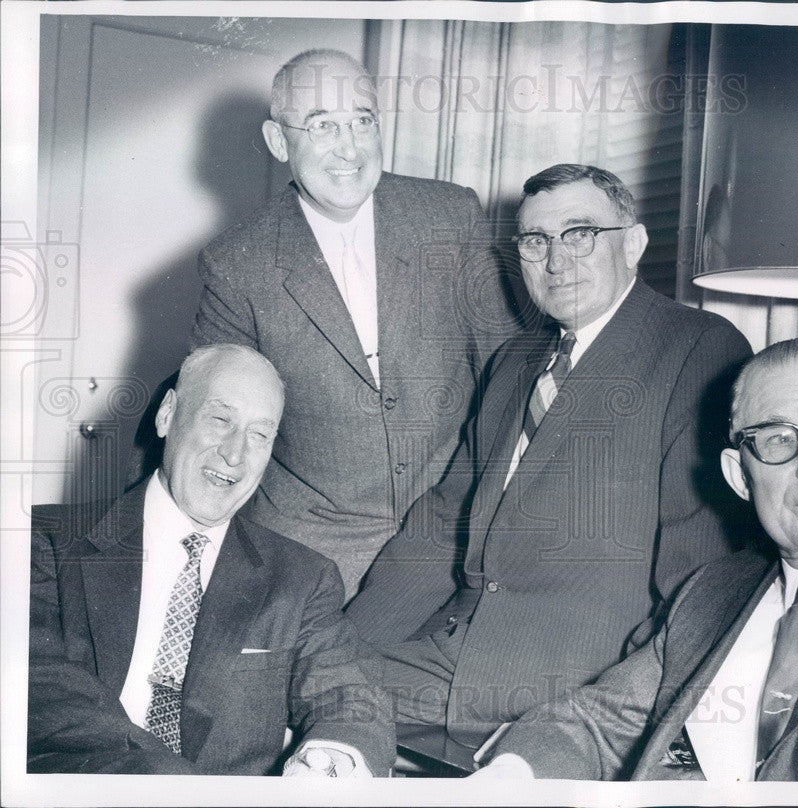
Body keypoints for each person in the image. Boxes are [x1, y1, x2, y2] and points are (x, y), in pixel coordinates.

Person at [347, 164, 752, 744]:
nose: (556, 261)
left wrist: (622, 713)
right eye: (536, 241)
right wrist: (347, 645)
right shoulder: (514, 359)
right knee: (286, 685)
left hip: (569, 682)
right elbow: (441, 525)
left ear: (633, 245)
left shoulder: (699, 348)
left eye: (580, 233)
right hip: (448, 650)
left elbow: (700, 573)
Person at [475, 337, 798, 784]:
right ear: (740, 476)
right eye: (778, 439)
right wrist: (505, 782)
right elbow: (591, 726)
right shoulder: (713, 590)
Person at [191, 50, 519, 596]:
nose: (349, 148)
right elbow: (216, 418)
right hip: (311, 552)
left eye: (361, 120)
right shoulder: (237, 263)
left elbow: (507, 368)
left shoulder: (448, 215)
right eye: (321, 125)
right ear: (279, 141)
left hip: (455, 530)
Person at [29, 344, 394, 776]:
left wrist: (334, 756)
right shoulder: (44, 540)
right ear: (167, 415)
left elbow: (350, 693)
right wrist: (172, 783)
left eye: (259, 434)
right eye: (220, 420)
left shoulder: (301, 577)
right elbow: (45, 692)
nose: (235, 454)